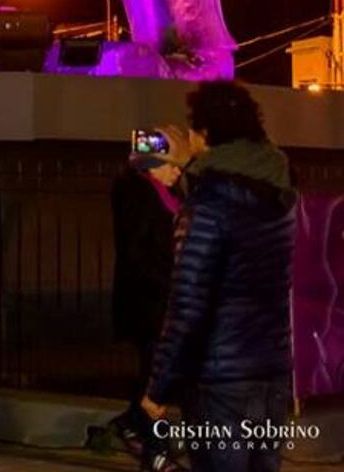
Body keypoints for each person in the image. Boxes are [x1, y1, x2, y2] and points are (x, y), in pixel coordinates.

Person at [141, 82, 297, 472]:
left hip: (220, 378)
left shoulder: (207, 204)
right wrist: (189, 176)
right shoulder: (280, 194)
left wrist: (159, 387)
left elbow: (188, 304)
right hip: (273, 369)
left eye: (192, 130)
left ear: (206, 134)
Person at [109, 152, 181, 471]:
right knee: (156, 375)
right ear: (152, 169)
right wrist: (169, 279)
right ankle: (156, 451)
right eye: (171, 165)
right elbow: (137, 253)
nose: (177, 171)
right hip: (148, 301)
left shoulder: (168, 195)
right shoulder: (140, 197)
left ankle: (132, 422)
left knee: (154, 372)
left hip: (164, 299)